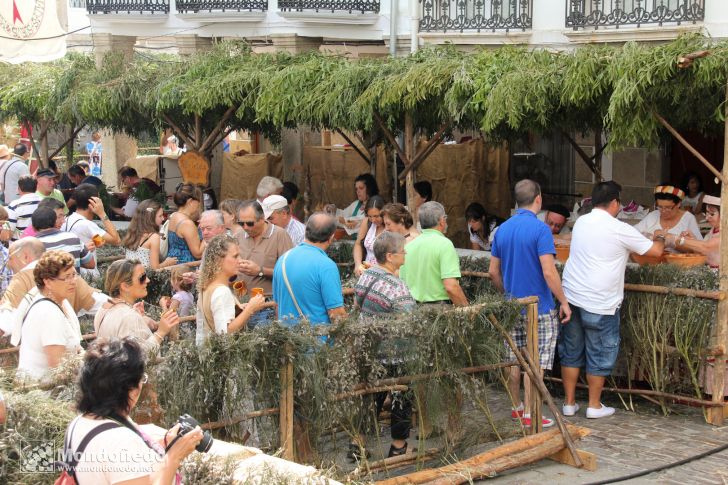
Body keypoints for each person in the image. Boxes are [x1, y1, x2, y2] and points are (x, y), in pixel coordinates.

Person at [560, 181, 665, 419]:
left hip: (572, 297)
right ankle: (594, 406)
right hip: (601, 302)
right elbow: (655, 252)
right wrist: (661, 238)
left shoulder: (581, 223)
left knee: (572, 351)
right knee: (598, 352)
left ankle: (569, 403)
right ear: (616, 203)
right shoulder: (618, 228)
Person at [488, 179, 571, 428]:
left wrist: (508, 293)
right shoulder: (541, 230)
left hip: (513, 305)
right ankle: (531, 413)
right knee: (535, 363)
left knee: (514, 359)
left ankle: (516, 408)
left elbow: (493, 272)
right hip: (540, 307)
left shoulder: (502, 229)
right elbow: (549, 271)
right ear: (539, 199)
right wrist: (564, 301)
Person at [68, 338, 203, 484]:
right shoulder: (121, 442)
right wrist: (174, 456)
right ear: (131, 390)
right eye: (142, 379)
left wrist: (164, 443)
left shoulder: (80, 422)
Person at [352, 231, 415, 458]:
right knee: (401, 398)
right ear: (390, 256)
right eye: (402, 251)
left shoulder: (365, 276)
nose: (405, 253)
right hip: (396, 353)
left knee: (369, 397)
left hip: (369, 349)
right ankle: (399, 447)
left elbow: (358, 306)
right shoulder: (397, 287)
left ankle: (357, 444)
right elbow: (409, 322)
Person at [1, 238, 106, 340]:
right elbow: (100, 302)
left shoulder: (21, 279)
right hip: (67, 341)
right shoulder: (69, 276)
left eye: (10, 258)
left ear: (25, 257)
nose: (9, 264)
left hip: (39, 345)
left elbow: (6, 321)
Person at [16, 250, 82, 381]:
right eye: (67, 277)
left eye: (74, 275)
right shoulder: (48, 312)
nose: (73, 281)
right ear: (48, 282)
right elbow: (59, 368)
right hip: (45, 394)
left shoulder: (61, 304)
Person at [273, 212, 345, 326]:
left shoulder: (283, 259)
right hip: (318, 340)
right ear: (331, 237)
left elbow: (277, 306)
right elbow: (336, 313)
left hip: (287, 339)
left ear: (306, 230)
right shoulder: (326, 266)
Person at [94, 259, 180, 354]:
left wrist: (140, 320)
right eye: (142, 278)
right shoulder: (129, 316)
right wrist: (160, 332)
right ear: (125, 286)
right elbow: (138, 357)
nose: (147, 280)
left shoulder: (104, 308)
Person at [196, 235, 266, 346]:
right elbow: (224, 334)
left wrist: (240, 309)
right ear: (218, 260)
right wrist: (250, 309)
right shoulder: (221, 291)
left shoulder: (207, 287)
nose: (240, 260)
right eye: (235, 256)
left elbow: (203, 328)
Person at [236, 199, 293, 326]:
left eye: (250, 223)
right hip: (242, 303)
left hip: (267, 305)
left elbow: (290, 273)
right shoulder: (239, 236)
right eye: (241, 223)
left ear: (262, 219)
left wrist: (260, 271)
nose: (245, 227)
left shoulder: (279, 235)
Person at [399, 201, 468, 306]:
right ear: (441, 221)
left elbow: (402, 283)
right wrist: (467, 310)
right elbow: (451, 286)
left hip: (412, 309)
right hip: (438, 311)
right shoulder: (445, 245)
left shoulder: (408, 247)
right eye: (445, 217)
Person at [33, 206, 96, 271]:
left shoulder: (32, 245)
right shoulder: (73, 237)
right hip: (73, 280)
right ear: (55, 222)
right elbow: (91, 264)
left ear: (33, 227)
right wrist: (73, 261)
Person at [667, 194, 721, 268]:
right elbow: (702, 251)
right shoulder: (713, 230)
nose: (707, 217)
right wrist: (692, 239)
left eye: (712, 214)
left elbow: (706, 247)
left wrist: (676, 239)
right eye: (706, 213)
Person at [634, 185, 702, 243]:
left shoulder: (688, 218)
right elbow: (632, 233)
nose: (663, 211)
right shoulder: (653, 215)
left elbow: (699, 245)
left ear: (679, 204)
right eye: (660, 207)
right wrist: (651, 237)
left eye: (668, 207)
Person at [122, 199, 178, 269]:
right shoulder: (153, 237)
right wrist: (167, 262)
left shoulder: (132, 232)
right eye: (160, 216)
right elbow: (155, 268)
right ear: (150, 217)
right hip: (144, 276)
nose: (163, 218)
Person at [64, 183, 121, 249]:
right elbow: (117, 240)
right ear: (94, 202)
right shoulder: (87, 225)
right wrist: (102, 214)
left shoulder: (65, 220)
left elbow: (88, 237)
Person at [166, 184, 204, 263]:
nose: (199, 204)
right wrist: (209, 237)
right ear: (190, 201)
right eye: (198, 201)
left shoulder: (174, 215)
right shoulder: (187, 223)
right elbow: (198, 254)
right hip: (186, 266)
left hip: (174, 262)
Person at [353, 195, 386, 276]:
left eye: (376, 216)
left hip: (383, 273)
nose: (373, 220)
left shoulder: (390, 227)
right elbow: (358, 244)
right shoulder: (367, 222)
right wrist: (358, 264)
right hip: (366, 272)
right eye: (370, 216)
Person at [6, 175, 41, 239]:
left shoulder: (14, 205)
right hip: (41, 244)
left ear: (19, 189)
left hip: (20, 245)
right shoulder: (44, 202)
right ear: (36, 188)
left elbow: (8, 234)